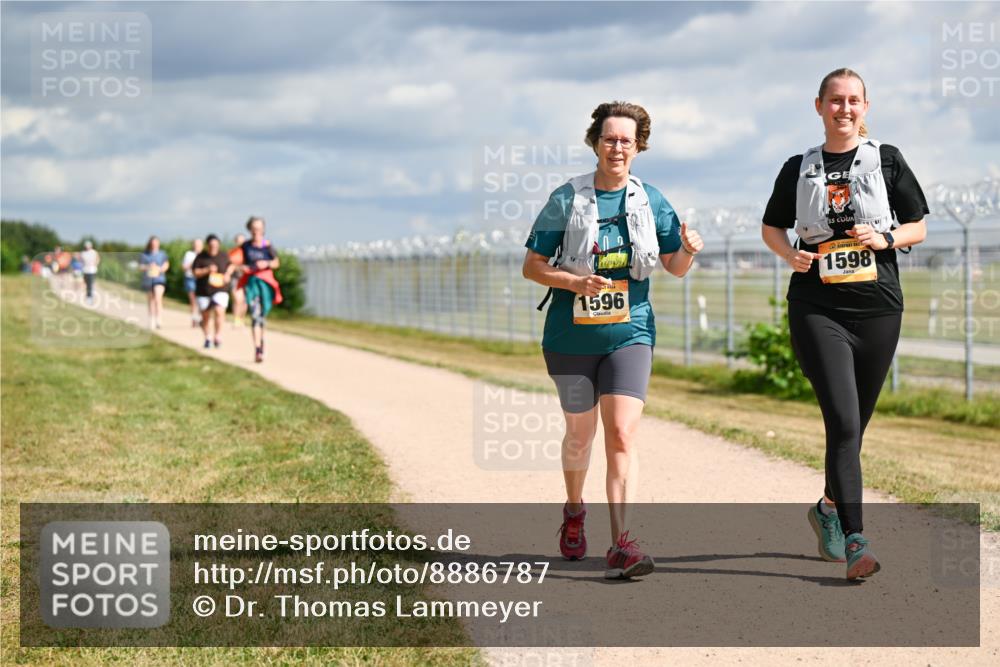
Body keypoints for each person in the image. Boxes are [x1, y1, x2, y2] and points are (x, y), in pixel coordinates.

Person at [522, 101, 703, 579]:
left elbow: (674, 267)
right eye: (609, 138)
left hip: (631, 333)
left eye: (626, 140)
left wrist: (687, 248)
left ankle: (623, 542)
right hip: (569, 337)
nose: (617, 147)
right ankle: (574, 510)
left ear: (638, 146)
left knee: (622, 433)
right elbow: (532, 266)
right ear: (595, 142)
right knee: (580, 438)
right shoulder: (567, 198)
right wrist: (574, 283)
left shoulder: (651, 200)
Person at [761, 68, 928, 580]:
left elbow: (919, 225)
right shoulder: (798, 167)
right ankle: (857, 542)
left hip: (878, 308)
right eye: (835, 101)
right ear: (819, 107)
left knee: (857, 425)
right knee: (844, 421)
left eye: (853, 101)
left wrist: (887, 239)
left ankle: (828, 507)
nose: (845, 109)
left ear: (866, 106)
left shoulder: (887, 160)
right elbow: (772, 227)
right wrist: (791, 254)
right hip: (818, 307)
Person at [238, 217, 282, 363]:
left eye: (259, 228)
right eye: (254, 228)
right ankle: (257, 348)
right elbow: (238, 263)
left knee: (262, 316)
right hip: (252, 285)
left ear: (263, 229)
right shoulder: (245, 246)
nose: (256, 231)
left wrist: (266, 263)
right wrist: (243, 268)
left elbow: (276, 263)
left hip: (266, 284)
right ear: (250, 230)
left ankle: (261, 341)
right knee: (255, 315)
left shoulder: (267, 245)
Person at [192, 234, 235, 349]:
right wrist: (207, 270)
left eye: (216, 245)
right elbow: (195, 272)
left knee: (219, 310)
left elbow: (231, 266)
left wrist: (227, 274)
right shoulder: (200, 257)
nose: (213, 248)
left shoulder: (223, 255)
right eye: (211, 245)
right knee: (205, 315)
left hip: (220, 289)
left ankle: (218, 336)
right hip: (204, 290)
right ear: (208, 245)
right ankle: (207, 337)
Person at [139, 236, 170, 329]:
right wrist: (148, 267)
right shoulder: (145, 254)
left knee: (157, 298)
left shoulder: (162, 254)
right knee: (150, 300)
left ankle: (158, 319)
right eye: (153, 243)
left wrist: (160, 269)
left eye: (156, 243)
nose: (154, 244)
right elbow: (140, 267)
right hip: (148, 279)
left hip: (159, 279)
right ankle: (151, 319)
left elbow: (166, 264)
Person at [182, 238, 204, 327]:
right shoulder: (189, 254)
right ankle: (194, 319)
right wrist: (194, 262)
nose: (197, 246)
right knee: (193, 300)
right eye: (196, 244)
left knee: (201, 301)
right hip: (190, 278)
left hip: (201, 279)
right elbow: (184, 267)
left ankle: (200, 318)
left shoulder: (204, 255)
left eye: (199, 245)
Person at [228, 233, 247, 327]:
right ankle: (236, 319)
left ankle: (241, 319)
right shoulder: (231, 252)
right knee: (237, 299)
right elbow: (228, 265)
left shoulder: (248, 252)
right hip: (234, 278)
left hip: (246, 278)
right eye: (238, 240)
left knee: (244, 301)